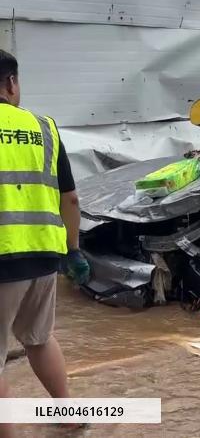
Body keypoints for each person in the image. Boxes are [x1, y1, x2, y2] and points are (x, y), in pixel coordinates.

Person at [0, 49, 88, 437]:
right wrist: (73, 250)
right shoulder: (45, 128)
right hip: (42, 258)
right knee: (38, 338)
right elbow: (70, 198)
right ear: (11, 83)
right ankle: (69, 415)